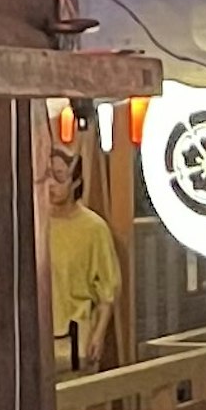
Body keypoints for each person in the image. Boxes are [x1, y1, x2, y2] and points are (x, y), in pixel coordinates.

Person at [47, 137, 123, 374]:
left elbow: (108, 290)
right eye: (46, 175)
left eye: (59, 176)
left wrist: (99, 334)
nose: (51, 184)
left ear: (75, 180)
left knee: (73, 406)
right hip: (37, 338)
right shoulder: (35, 225)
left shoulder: (93, 228)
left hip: (76, 336)